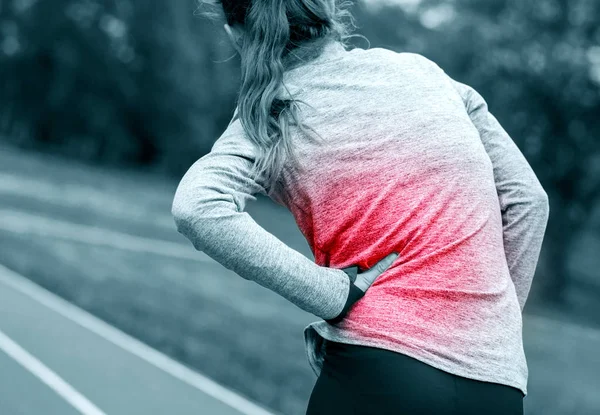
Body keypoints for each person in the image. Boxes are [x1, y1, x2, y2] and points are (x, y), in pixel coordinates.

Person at [172, 0, 550, 413]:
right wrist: (493, 330)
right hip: (496, 390)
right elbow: (528, 200)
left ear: (234, 33)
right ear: (329, 9)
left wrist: (330, 294)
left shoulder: (273, 112)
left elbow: (197, 206)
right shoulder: (428, 75)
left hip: (381, 370)